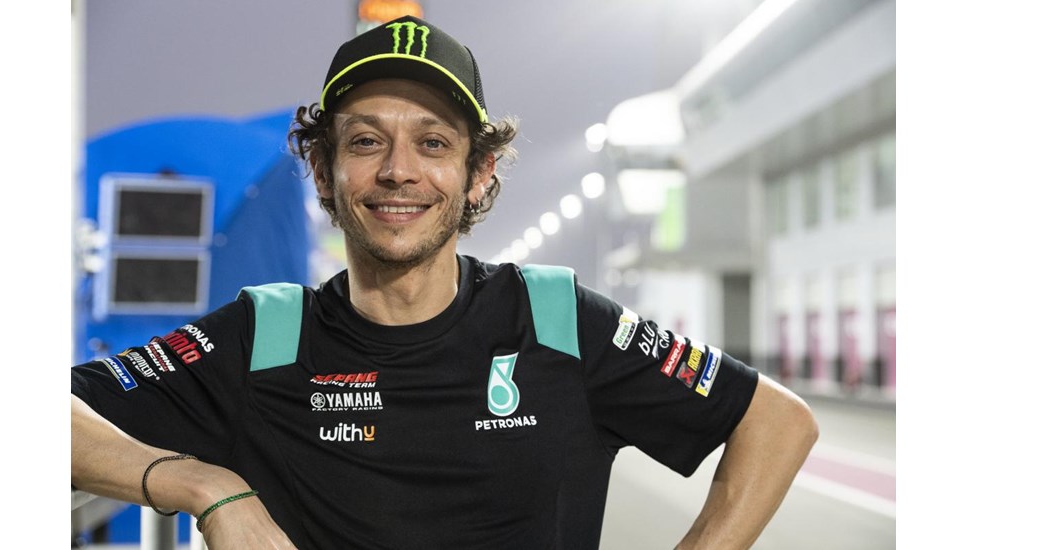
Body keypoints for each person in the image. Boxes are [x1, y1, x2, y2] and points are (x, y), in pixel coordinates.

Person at [71, 14, 819, 550]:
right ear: (325, 172)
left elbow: (777, 422)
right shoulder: (263, 337)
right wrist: (204, 487)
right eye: (366, 141)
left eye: (432, 143)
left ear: (478, 172)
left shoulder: (555, 321)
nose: (399, 170)